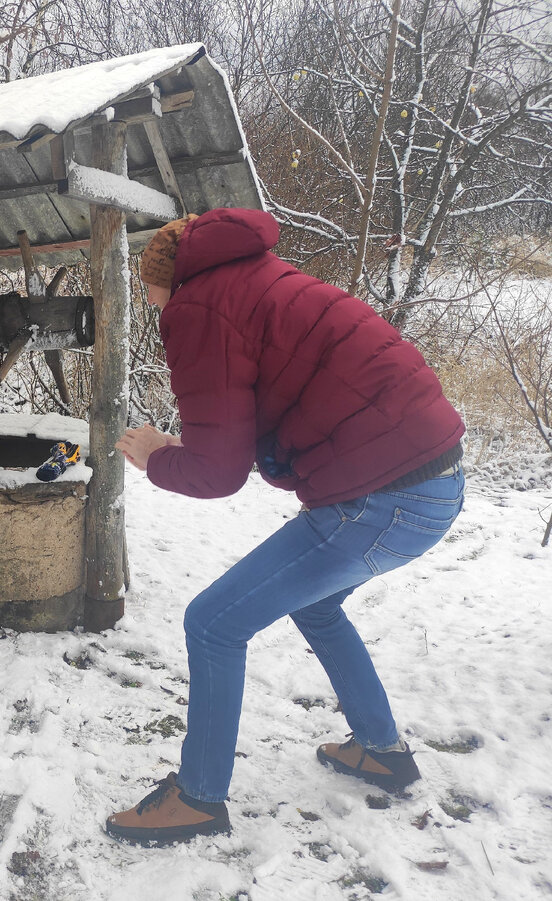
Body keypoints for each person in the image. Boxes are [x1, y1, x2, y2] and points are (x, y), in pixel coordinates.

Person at [107, 209, 465, 846]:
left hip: (383, 500)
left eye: (149, 288)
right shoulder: (263, 279)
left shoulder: (200, 307)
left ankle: (198, 797)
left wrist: (155, 453)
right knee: (319, 607)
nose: (151, 300)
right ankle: (380, 749)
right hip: (434, 484)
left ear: (170, 280)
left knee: (214, 622)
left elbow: (218, 471)